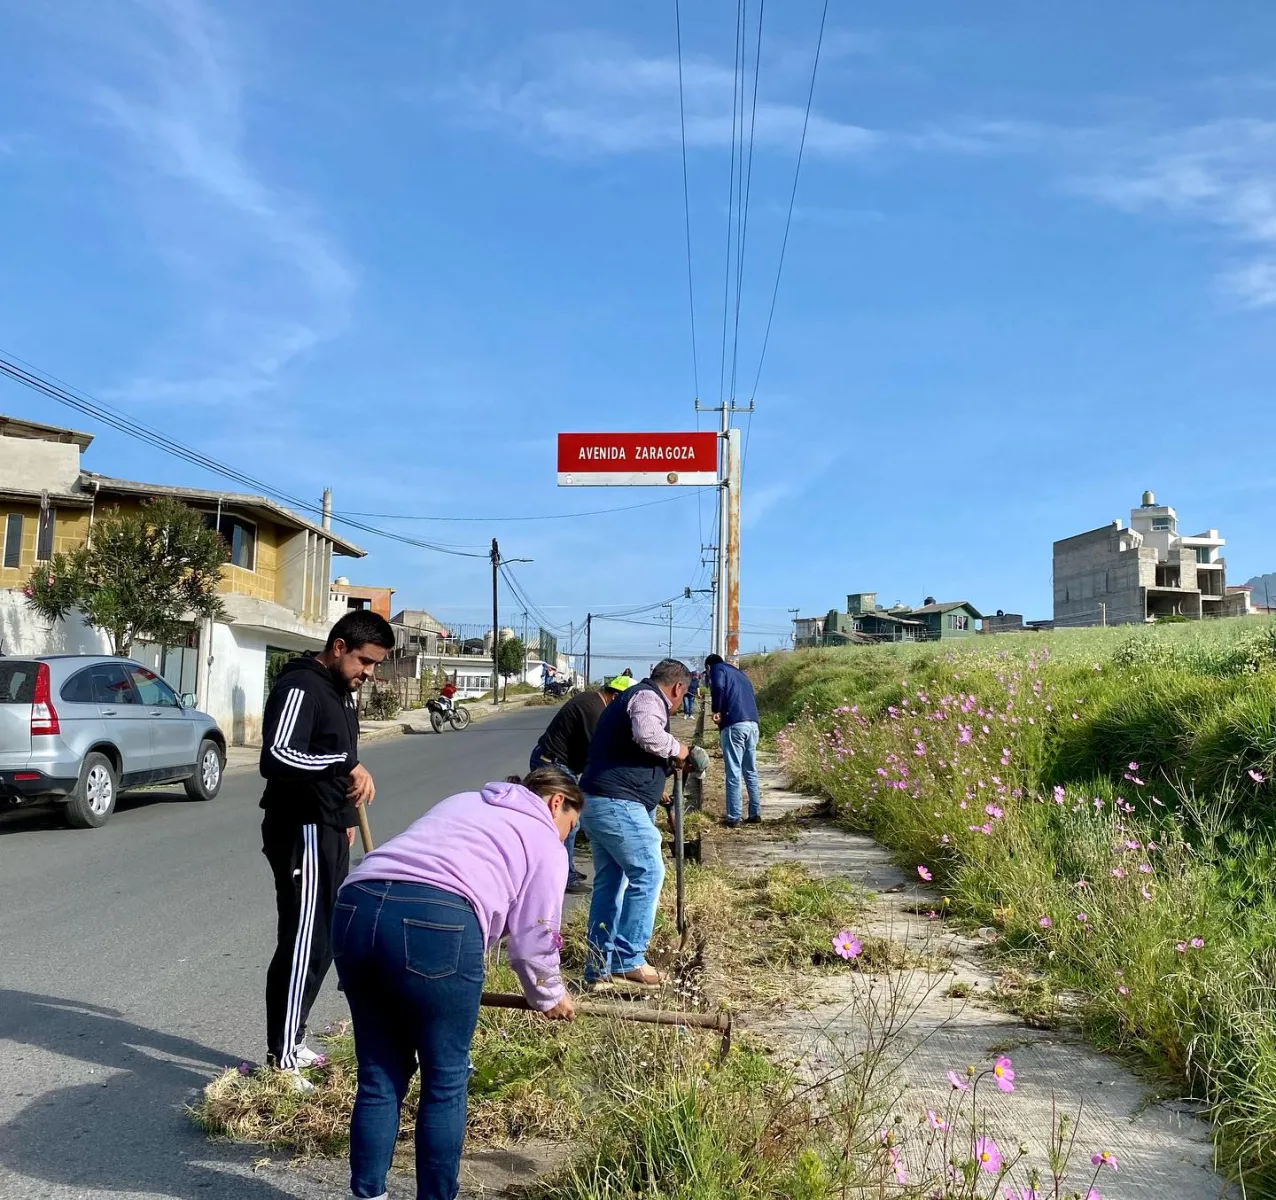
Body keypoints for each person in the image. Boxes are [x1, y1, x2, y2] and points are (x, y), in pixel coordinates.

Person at [335, 767, 579, 1200]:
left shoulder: (465, 800)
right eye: (570, 827)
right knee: (445, 1078)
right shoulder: (543, 836)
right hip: (437, 921)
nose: (565, 837)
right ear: (556, 802)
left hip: (357, 907)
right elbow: (534, 941)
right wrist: (549, 994)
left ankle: (368, 1194)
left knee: (378, 1072)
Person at [259, 610, 395, 1088]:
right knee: (304, 940)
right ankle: (282, 1057)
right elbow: (277, 756)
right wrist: (345, 766)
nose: (369, 673)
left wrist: (344, 816)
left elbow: (336, 758)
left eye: (375, 665)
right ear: (338, 647)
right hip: (302, 830)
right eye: (364, 661)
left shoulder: (340, 693)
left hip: (329, 829)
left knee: (324, 941)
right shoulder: (301, 687)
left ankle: (292, 1040)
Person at [578, 659, 690, 986]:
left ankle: (598, 969)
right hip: (616, 802)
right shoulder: (647, 697)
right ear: (677, 688)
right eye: (683, 695)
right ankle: (628, 959)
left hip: (600, 800)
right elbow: (647, 734)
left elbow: (635, 751)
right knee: (649, 871)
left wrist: (671, 766)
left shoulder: (631, 701)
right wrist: (681, 748)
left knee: (611, 886)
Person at [530, 675, 633, 894]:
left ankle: (563, 868)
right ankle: (565, 877)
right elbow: (597, 754)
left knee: (562, 821)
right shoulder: (594, 712)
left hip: (558, 762)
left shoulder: (593, 701)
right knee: (567, 820)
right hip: (552, 763)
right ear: (616, 696)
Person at [704, 653, 761, 827]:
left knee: (733, 771)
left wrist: (716, 710)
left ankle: (733, 816)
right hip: (753, 724)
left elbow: (719, 686)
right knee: (750, 770)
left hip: (734, 724)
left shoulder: (716, 668)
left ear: (708, 666)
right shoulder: (741, 674)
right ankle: (755, 813)